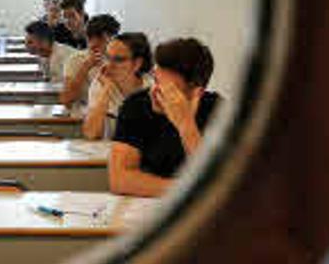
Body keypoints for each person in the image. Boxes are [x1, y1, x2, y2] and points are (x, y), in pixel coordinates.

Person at [109, 37, 221, 196]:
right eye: (156, 80)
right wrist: (188, 189)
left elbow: (218, 182)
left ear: (197, 92)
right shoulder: (136, 105)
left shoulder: (218, 111)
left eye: (168, 88)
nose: (155, 91)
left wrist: (185, 124)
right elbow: (119, 180)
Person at [83, 31, 151, 140]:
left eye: (118, 60)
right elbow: (91, 133)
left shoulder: (152, 88)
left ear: (137, 63)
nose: (109, 65)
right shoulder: (100, 84)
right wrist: (106, 91)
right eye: (107, 57)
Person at [59, 13, 121, 109]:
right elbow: (66, 100)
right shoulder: (76, 60)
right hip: (85, 115)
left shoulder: (123, 60)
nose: (93, 44)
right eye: (90, 38)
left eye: (102, 40)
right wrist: (86, 67)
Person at [23, 20, 77, 85]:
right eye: (25, 42)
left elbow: (71, 86)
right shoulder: (43, 56)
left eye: (30, 42)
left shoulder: (66, 56)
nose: (26, 46)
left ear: (44, 42)